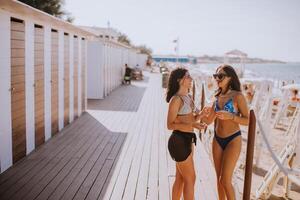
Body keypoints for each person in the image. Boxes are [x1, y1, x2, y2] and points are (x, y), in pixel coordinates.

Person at [202, 64, 249, 200]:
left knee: (225, 180)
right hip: (217, 139)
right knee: (218, 179)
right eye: (216, 76)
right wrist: (200, 114)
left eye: (220, 76)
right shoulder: (217, 96)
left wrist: (232, 117)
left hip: (233, 140)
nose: (217, 78)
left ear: (230, 78)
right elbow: (208, 121)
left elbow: (248, 121)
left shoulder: (238, 96)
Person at [166, 68, 207, 200]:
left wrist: (201, 115)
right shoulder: (176, 99)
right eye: (187, 76)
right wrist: (192, 125)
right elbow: (170, 124)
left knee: (181, 178)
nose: (190, 79)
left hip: (187, 140)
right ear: (180, 80)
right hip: (178, 141)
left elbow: (191, 120)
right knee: (191, 178)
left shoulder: (188, 97)